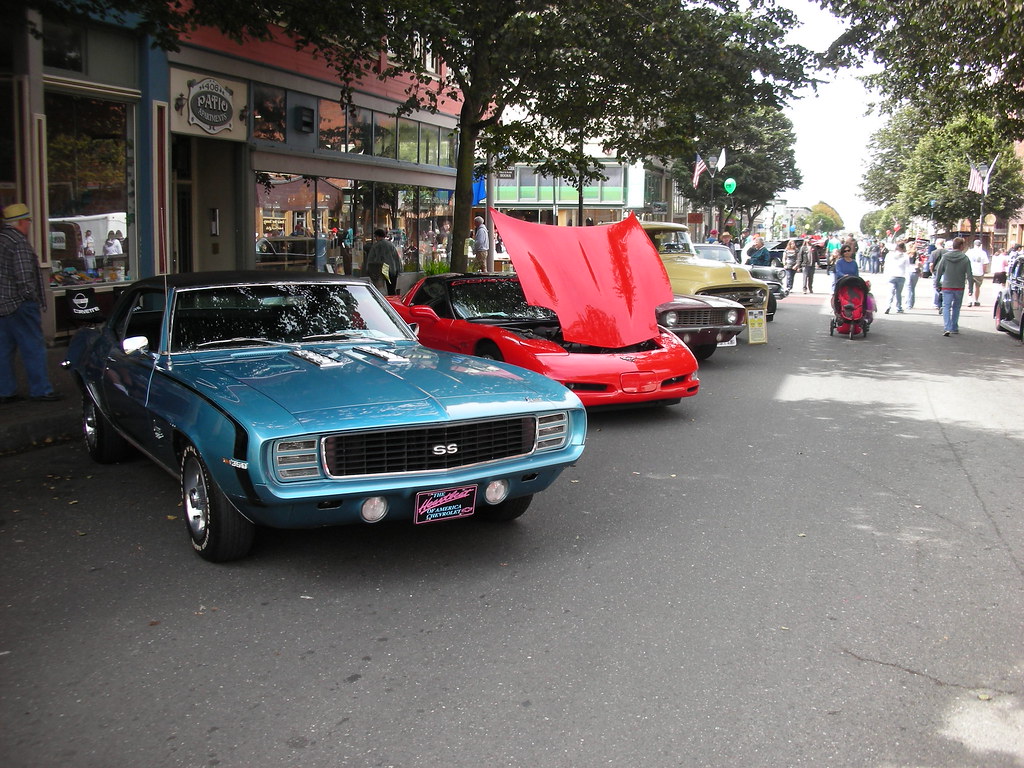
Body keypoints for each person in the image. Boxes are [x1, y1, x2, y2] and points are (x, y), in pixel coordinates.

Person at [0, 203, 62, 403]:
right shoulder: (19, 243)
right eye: (27, 221)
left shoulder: (2, 240)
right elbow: (24, 276)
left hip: (2, 303)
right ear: (21, 222)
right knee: (33, 347)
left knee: (4, 350)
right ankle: (41, 389)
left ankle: (5, 391)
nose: (28, 225)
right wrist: (31, 298)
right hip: (20, 304)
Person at [933, 236, 974, 336]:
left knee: (946, 306)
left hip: (947, 285)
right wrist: (971, 288)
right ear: (961, 246)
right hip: (959, 286)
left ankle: (947, 327)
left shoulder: (945, 257)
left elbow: (939, 271)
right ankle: (954, 327)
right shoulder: (965, 258)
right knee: (956, 307)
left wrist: (937, 283)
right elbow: (969, 274)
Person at [364, 228, 402, 295]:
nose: (375, 238)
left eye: (375, 236)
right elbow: (396, 258)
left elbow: (370, 259)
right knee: (391, 290)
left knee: (380, 290)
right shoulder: (391, 245)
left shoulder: (375, 246)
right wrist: (399, 270)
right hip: (392, 270)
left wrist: (368, 270)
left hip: (380, 269)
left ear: (378, 236)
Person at [882, 241, 909, 313]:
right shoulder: (905, 256)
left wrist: (885, 275)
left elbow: (886, 265)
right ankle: (899, 307)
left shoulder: (889, 255)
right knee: (898, 293)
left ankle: (888, 306)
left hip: (891, 275)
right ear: (903, 248)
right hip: (901, 276)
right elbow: (907, 267)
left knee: (890, 292)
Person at [964, 239, 990, 306]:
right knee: (977, 287)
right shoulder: (983, 253)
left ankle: (969, 300)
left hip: (971, 271)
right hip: (979, 272)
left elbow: (965, 260)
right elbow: (985, 263)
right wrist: (983, 272)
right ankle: (976, 300)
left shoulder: (969, 252)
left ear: (974, 244)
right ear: (980, 245)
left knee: (970, 287)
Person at [929, 238, 947, 314]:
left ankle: (936, 304)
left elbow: (931, 264)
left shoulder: (933, 252)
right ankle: (943, 304)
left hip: (936, 271)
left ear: (937, 244)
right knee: (944, 288)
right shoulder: (947, 252)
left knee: (936, 287)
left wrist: (931, 271)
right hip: (945, 272)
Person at [905, 239, 922, 309]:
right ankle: (911, 303)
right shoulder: (917, 254)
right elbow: (919, 263)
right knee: (912, 288)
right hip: (915, 271)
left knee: (908, 288)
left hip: (908, 271)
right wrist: (920, 270)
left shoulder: (906, 254)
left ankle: (908, 303)